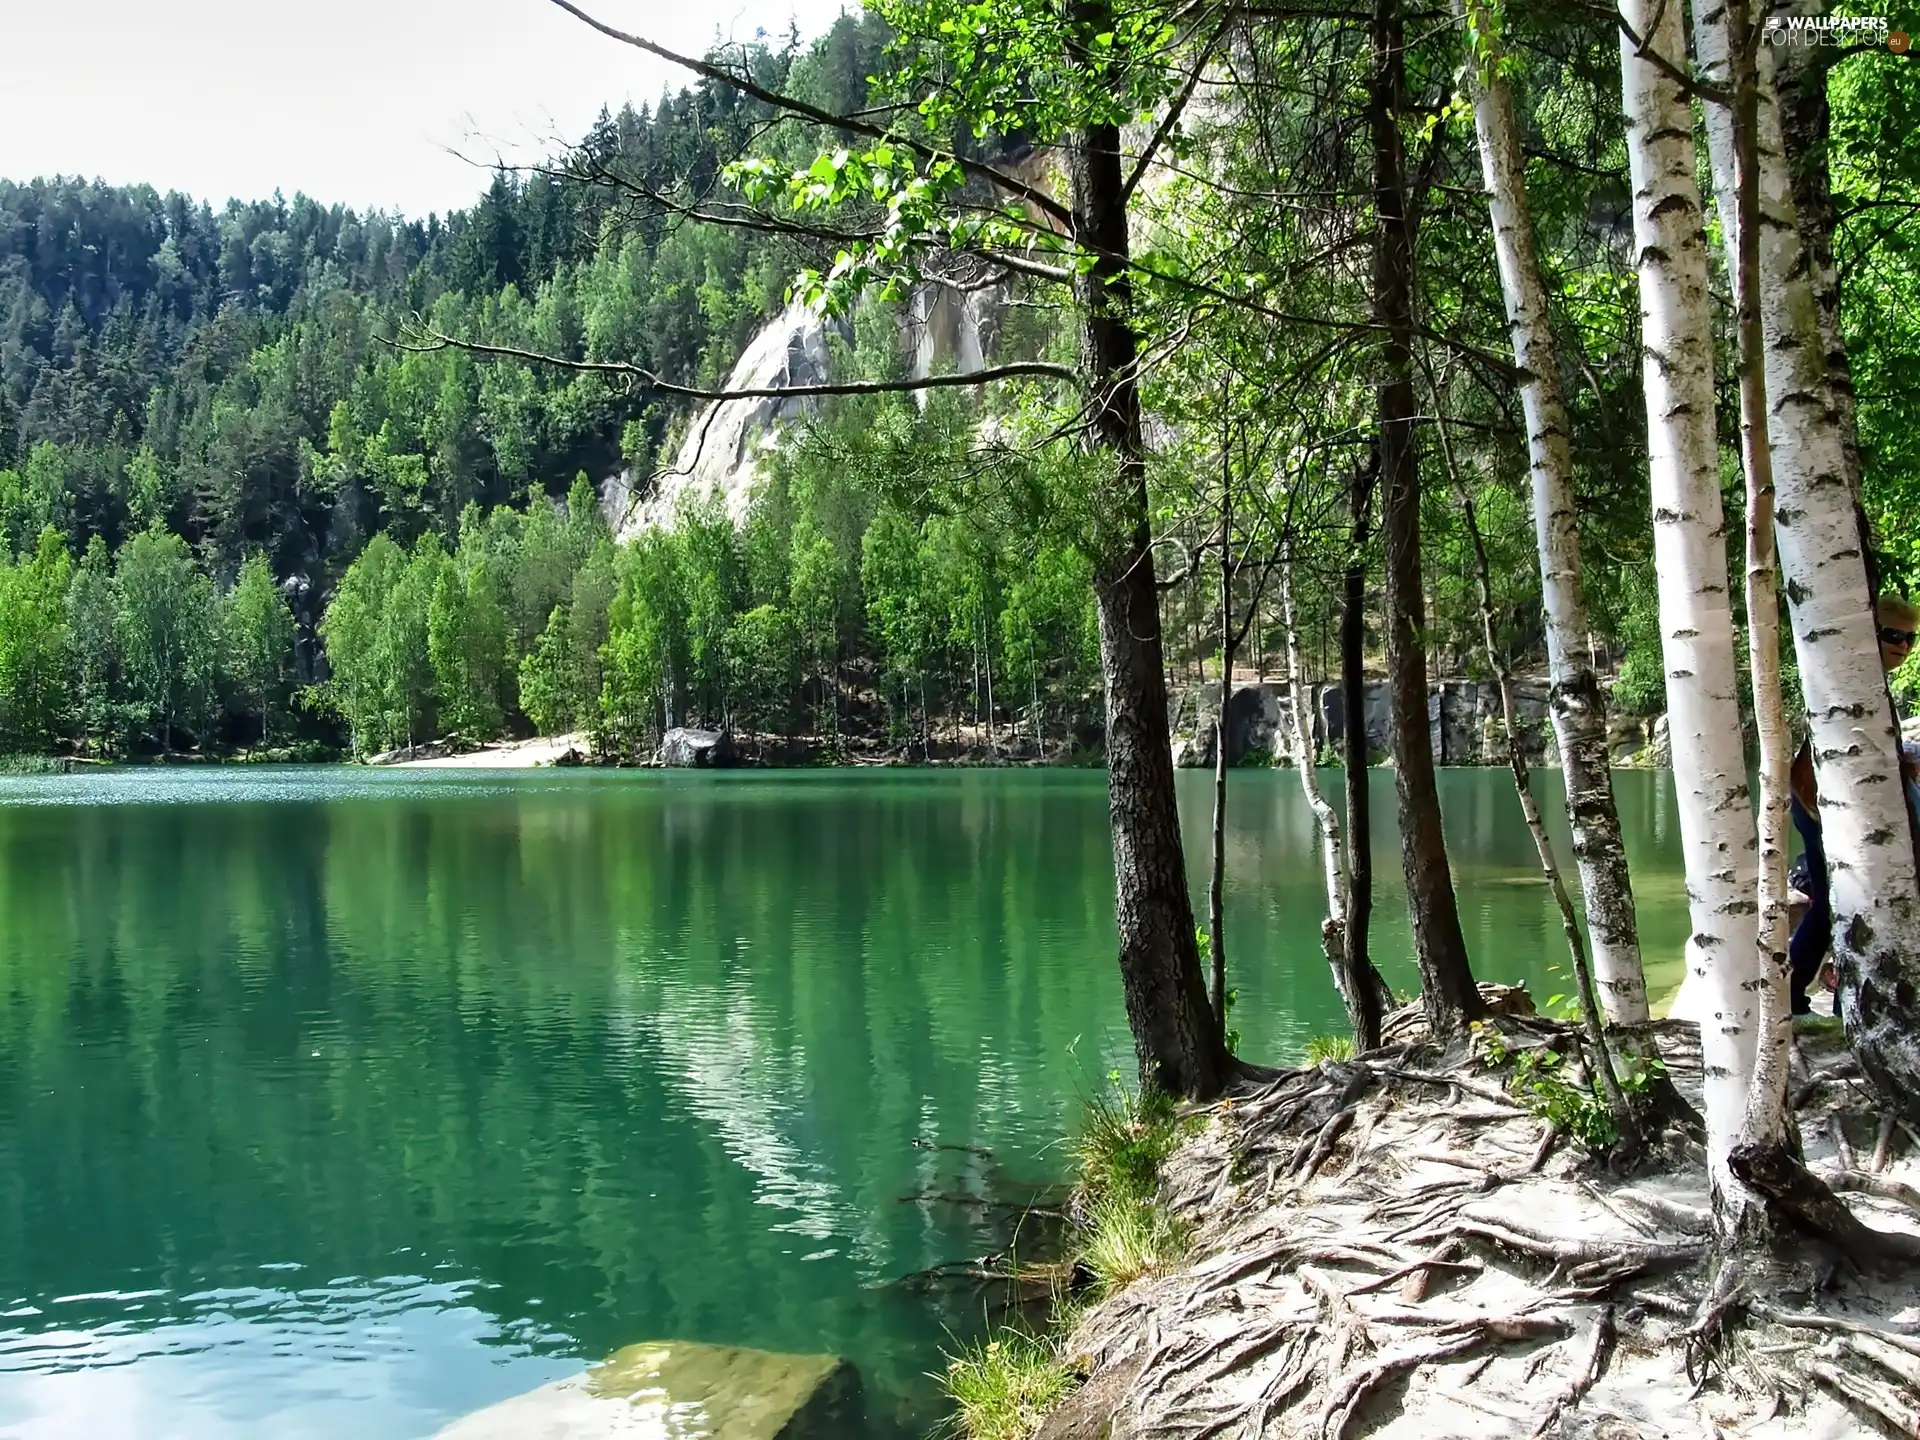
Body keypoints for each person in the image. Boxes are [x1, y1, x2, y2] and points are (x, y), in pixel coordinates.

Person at [1786, 593, 1918, 1015]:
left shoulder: (1868, 679)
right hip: (1820, 806)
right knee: (1834, 902)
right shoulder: (1846, 678)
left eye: (1911, 639)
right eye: (1892, 635)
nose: (1903, 646)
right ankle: (1797, 998)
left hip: (1839, 805)